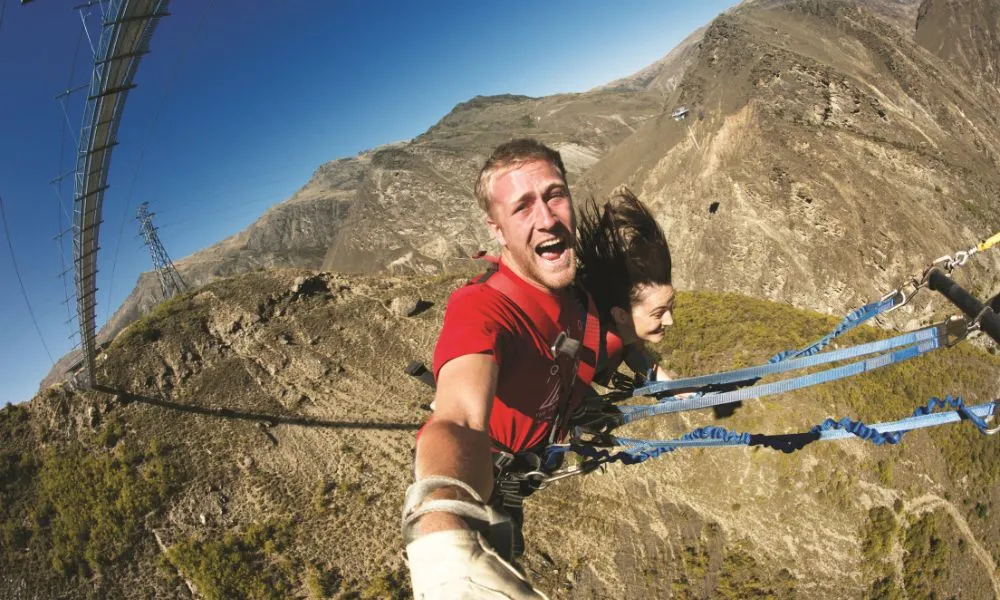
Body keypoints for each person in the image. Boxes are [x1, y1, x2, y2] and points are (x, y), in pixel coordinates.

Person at [403, 138, 594, 599]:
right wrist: (442, 532)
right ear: (498, 230)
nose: (546, 218)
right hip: (484, 480)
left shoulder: (575, 294)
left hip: (528, 463)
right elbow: (460, 420)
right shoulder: (482, 308)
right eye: (522, 207)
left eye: (554, 195)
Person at [576, 185, 676, 387]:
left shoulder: (616, 325)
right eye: (658, 313)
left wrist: (672, 388)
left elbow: (631, 347)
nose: (670, 321)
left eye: (670, 307)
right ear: (621, 315)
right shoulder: (588, 344)